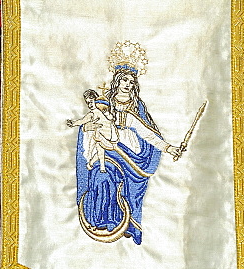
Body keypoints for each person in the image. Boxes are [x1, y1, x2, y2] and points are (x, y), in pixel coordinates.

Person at [73, 67, 181, 245]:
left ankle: (128, 224)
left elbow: (148, 133)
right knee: (102, 177)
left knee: (128, 188)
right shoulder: (102, 104)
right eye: (124, 80)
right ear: (117, 80)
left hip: (130, 155)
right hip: (105, 151)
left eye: (131, 82)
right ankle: (101, 220)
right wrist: (89, 128)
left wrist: (169, 148)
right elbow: (86, 127)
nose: (127, 85)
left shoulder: (135, 108)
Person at [67, 90, 119, 173]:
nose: (90, 105)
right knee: (100, 148)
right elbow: (83, 120)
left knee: (100, 147)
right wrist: (74, 124)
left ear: (96, 100)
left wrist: (74, 123)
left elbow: (82, 120)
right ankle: (101, 166)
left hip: (108, 135)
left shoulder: (99, 112)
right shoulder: (97, 113)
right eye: (88, 103)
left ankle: (94, 163)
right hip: (106, 136)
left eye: (91, 102)